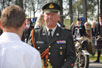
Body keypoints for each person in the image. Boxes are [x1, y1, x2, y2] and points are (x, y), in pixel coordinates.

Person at [28, 2, 76, 68]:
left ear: (58, 17)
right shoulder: (35, 34)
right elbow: (28, 55)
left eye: (53, 14)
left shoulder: (66, 34)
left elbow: (71, 56)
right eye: (47, 14)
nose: (50, 17)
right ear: (44, 17)